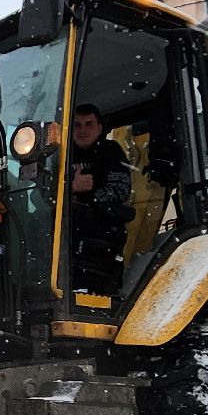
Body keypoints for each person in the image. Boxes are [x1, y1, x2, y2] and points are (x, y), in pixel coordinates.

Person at [67, 103, 133, 292]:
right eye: (77, 125)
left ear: (99, 128)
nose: (82, 130)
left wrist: (88, 195)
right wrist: (70, 188)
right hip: (64, 240)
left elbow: (121, 189)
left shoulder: (111, 152)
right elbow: (40, 195)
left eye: (89, 124)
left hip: (101, 238)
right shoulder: (62, 155)